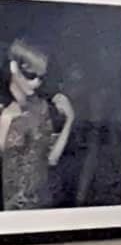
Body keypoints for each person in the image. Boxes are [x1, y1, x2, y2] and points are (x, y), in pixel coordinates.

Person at [0, 37, 75, 211]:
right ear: (13, 67)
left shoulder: (40, 106)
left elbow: (52, 158)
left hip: (41, 204)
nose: (36, 82)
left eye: (41, 77)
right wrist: (6, 120)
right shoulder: (3, 107)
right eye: (31, 75)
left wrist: (70, 119)